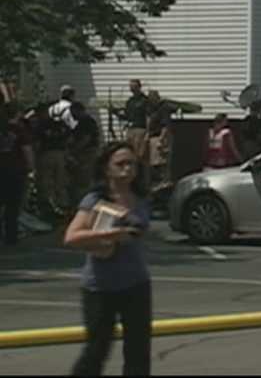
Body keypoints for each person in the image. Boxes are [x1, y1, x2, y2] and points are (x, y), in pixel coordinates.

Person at [63, 141, 153, 376]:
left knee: (138, 352)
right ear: (106, 168)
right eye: (121, 164)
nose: (127, 169)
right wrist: (113, 234)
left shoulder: (141, 197)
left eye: (132, 164)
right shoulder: (94, 200)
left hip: (136, 283)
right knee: (96, 351)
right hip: (100, 286)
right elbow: (72, 237)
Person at [1, 105, 36, 246]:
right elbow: (26, 149)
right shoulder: (17, 129)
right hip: (15, 171)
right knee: (12, 206)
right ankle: (11, 236)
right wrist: (31, 167)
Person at [41, 85, 77, 216]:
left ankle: (50, 204)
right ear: (72, 95)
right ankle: (63, 206)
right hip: (62, 148)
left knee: (48, 179)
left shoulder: (51, 109)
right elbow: (73, 127)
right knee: (61, 178)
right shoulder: (70, 108)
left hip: (47, 149)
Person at [67, 101, 102, 209]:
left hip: (87, 153)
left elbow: (86, 139)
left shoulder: (86, 122)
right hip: (85, 153)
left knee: (84, 181)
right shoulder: (82, 122)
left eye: (73, 112)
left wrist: (75, 151)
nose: (72, 115)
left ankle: (85, 206)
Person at [145, 91, 174, 191]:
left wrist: (162, 138)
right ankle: (158, 182)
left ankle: (165, 181)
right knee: (154, 161)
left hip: (161, 136)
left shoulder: (163, 108)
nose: (151, 100)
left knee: (162, 160)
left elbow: (165, 125)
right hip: (153, 136)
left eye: (152, 98)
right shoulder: (151, 109)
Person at [121, 79, 149, 163]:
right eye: (130, 87)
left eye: (134, 86)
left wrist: (147, 132)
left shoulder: (144, 100)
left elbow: (148, 116)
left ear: (139, 87)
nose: (132, 88)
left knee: (139, 155)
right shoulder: (130, 101)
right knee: (130, 152)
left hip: (140, 129)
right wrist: (116, 113)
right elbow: (127, 116)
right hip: (130, 129)